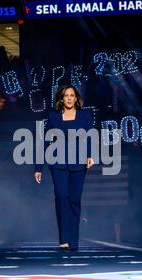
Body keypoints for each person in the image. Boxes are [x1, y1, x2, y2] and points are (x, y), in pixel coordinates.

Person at [34, 85, 94, 251]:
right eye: (66, 95)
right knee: (61, 197)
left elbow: (90, 136)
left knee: (74, 200)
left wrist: (90, 155)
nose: (69, 98)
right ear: (61, 98)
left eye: (72, 95)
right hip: (58, 162)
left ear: (76, 98)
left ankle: (73, 241)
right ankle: (64, 239)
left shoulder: (84, 116)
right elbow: (45, 142)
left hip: (78, 163)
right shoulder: (53, 117)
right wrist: (38, 167)